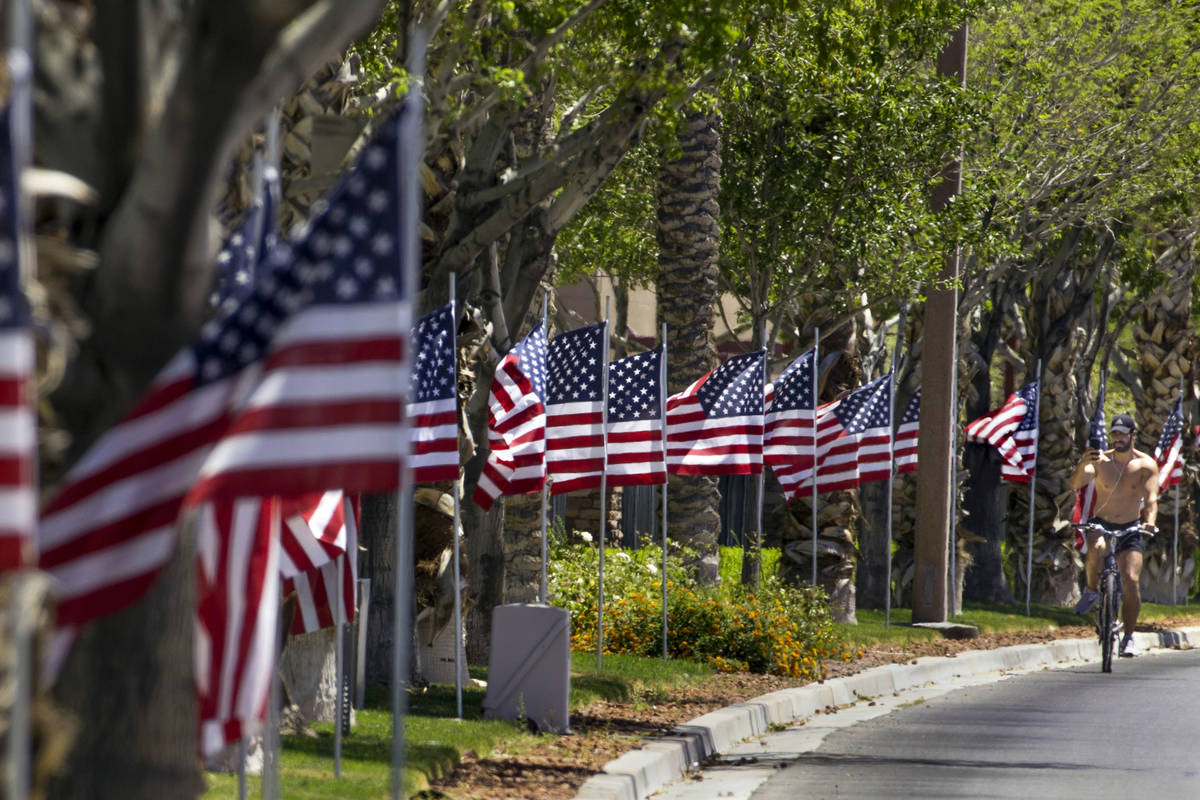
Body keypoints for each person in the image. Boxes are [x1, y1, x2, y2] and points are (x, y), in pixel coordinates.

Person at [1068, 412, 1159, 657]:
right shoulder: (1100, 461)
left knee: (1130, 578)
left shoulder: (1145, 465)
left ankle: (1129, 637)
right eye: (1114, 434)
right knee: (1095, 550)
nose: (1117, 438)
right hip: (1102, 523)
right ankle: (1091, 590)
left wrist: (1149, 522)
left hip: (1130, 527)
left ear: (1133, 435)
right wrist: (1081, 464)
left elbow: (1151, 499)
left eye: (1122, 434)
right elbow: (1075, 484)